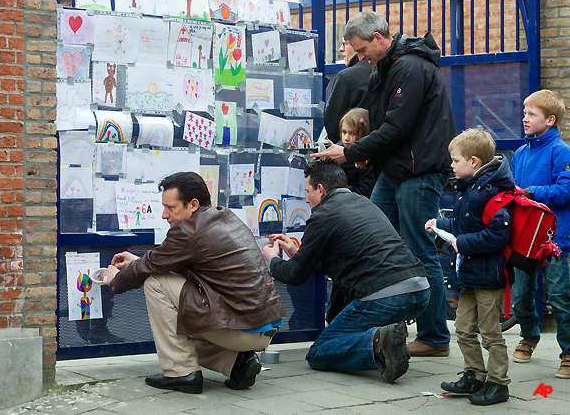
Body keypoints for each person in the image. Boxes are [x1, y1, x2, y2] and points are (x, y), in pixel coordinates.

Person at [312, 11, 455, 356]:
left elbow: (397, 127)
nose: (359, 58)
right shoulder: (386, 68)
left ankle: (435, 337)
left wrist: (349, 153)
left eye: (361, 50)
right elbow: (381, 124)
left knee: (419, 250)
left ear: (379, 38)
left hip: (418, 171)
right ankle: (379, 323)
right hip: (396, 169)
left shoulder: (410, 67)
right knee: (371, 239)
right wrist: (366, 155)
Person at [99, 172, 286, 394]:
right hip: (264, 328)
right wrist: (139, 261)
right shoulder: (225, 217)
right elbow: (174, 259)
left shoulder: (188, 231)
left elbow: (154, 266)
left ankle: (182, 373)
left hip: (242, 329)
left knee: (156, 285)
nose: (163, 215)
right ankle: (238, 363)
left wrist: (114, 280)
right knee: (179, 324)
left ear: (193, 204)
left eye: (171, 207)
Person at [262, 158, 430, 384]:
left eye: (308, 191)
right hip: (420, 291)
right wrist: (295, 252)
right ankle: (386, 340)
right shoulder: (364, 202)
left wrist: (272, 260)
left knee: (318, 352)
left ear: (320, 190)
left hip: (385, 297)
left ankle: (378, 343)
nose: (306, 198)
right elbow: (339, 264)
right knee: (342, 329)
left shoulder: (323, 214)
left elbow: (294, 275)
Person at [426, 128, 514, 405]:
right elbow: (465, 225)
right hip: (468, 275)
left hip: (488, 276)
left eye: (455, 160)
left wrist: (462, 243)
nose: (452, 165)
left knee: (490, 333)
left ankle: (499, 383)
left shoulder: (490, 192)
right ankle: (474, 374)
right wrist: (439, 224)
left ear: (473, 161)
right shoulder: (470, 190)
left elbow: (499, 234)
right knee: (463, 328)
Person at [510, 89, 570, 379]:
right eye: (524, 112)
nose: (524, 118)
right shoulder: (519, 153)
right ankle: (529, 337)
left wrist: (530, 193)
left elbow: (566, 193)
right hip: (523, 241)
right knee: (521, 296)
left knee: (559, 297)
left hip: (553, 242)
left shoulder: (564, 154)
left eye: (531, 114)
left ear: (550, 120)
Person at [326, 108, 376, 323]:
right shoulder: (340, 158)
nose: (346, 138)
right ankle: (335, 319)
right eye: (344, 132)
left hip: (359, 228)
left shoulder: (368, 162)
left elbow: (366, 191)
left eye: (352, 133)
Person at [324, 38, 373, 144]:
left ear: (357, 46)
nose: (341, 49)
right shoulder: (389, 72)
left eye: (345, 44)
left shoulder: (346, 77)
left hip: (353, 150)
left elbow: (331, 127)